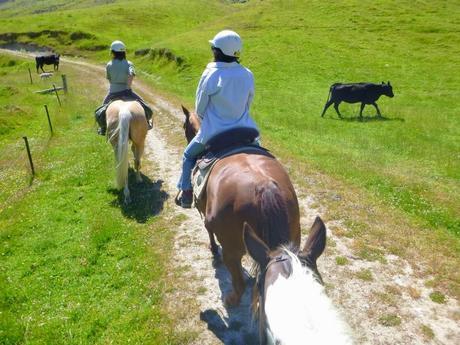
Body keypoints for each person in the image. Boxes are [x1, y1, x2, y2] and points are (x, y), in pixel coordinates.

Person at [176, 30, 259, 208]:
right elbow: (248, 103)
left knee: (188, 156)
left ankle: (186, 193)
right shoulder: (247, 74)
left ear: (217, 51)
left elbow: (199, 109)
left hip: (214, 133)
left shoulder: (211, 73)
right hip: (246, 132)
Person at [95, 40, 153, 135]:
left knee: (101, 112)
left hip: (112, 93)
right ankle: (147, 122)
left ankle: (103, 128)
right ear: (124, 52)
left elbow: (109, 79)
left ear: (112, 52)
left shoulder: (109, 65)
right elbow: (131, 73)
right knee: (145, 106)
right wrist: (128, 86)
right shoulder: (129, 63)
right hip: (127, 92)